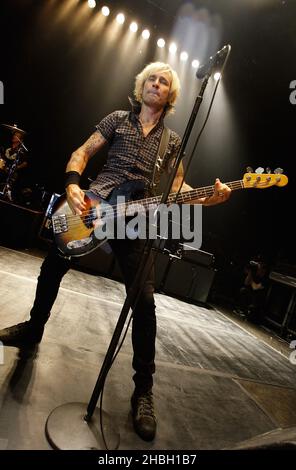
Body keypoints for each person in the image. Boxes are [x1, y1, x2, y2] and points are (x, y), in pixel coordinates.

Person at [0, 62, 231, 441]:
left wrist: (211, 197)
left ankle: (143, 391)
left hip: (136, 218)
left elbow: (179, 187)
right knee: (53, 266)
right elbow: (81, 153)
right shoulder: (116, 120)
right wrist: (74, 185)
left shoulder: (171, 141)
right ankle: (33, 328)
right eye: (152, 79)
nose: (156, 84)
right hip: (95, 204)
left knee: (144, 301)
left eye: (164, 82)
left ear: (170, 95)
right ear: (142, 87)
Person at [0, 130, 29, 202]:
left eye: (16, 136)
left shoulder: (21, 151)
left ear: (21, 140)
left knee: (14, 177)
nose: (14, 137)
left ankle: (8, 195)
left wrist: (15, 168)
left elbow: (25, 163)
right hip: (3, 168)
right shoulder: (7, 146)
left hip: (13, 172)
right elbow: (2, 157)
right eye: (14, 135)